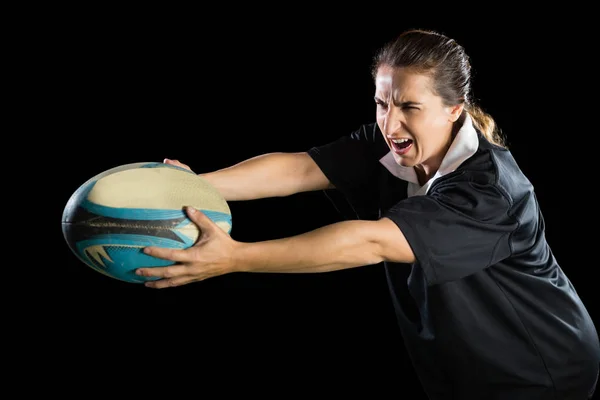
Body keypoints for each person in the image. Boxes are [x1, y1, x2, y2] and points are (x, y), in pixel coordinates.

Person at [135, 29, 600, 399]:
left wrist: (235, 257)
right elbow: (300, 168)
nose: (389, 122)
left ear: (454, 110)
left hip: (536, 368)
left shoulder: (490, 189)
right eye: (382, 102)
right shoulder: (394, 145)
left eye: (409, 107)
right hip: (457, 363)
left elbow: (372, 241)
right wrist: (196, 184)